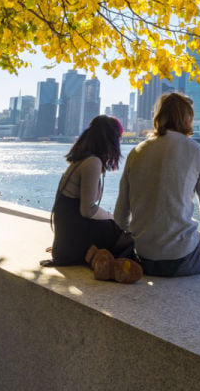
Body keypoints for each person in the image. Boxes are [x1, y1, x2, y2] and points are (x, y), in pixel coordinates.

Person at [114, 92, 200, 277]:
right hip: (182, 259)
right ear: (187, 118)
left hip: (142, 256)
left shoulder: (136, 152)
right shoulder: (198, 152)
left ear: (159, 117)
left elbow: (120, 215)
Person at [48, 115, 140, 282]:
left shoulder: (80, 160)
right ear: (110, 140)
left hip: (67, 240)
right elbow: (88, 210)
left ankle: (98, 257)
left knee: (113, 228)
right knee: (126, 236)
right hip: (74, 236)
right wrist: (111, 217)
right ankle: (114, 263)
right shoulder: (92, 162)